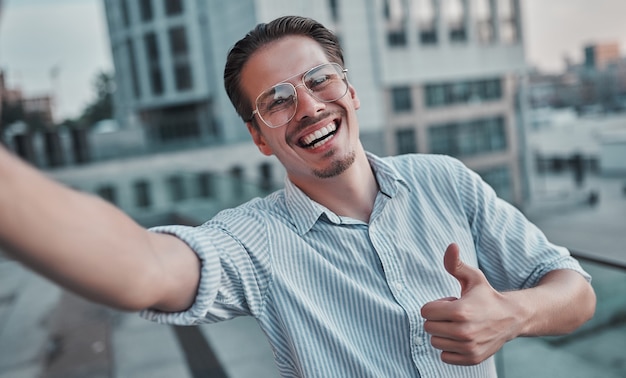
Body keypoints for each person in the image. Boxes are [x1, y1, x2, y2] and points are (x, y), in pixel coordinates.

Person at [0, 15, 595, 377]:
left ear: (351, 91)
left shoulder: (446, 179)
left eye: (319, 81)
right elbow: (143, 269)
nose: (308, 107)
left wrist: (513, 315)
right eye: (277, 100)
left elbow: (574, 291)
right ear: (259, 137)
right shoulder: (253, 241)